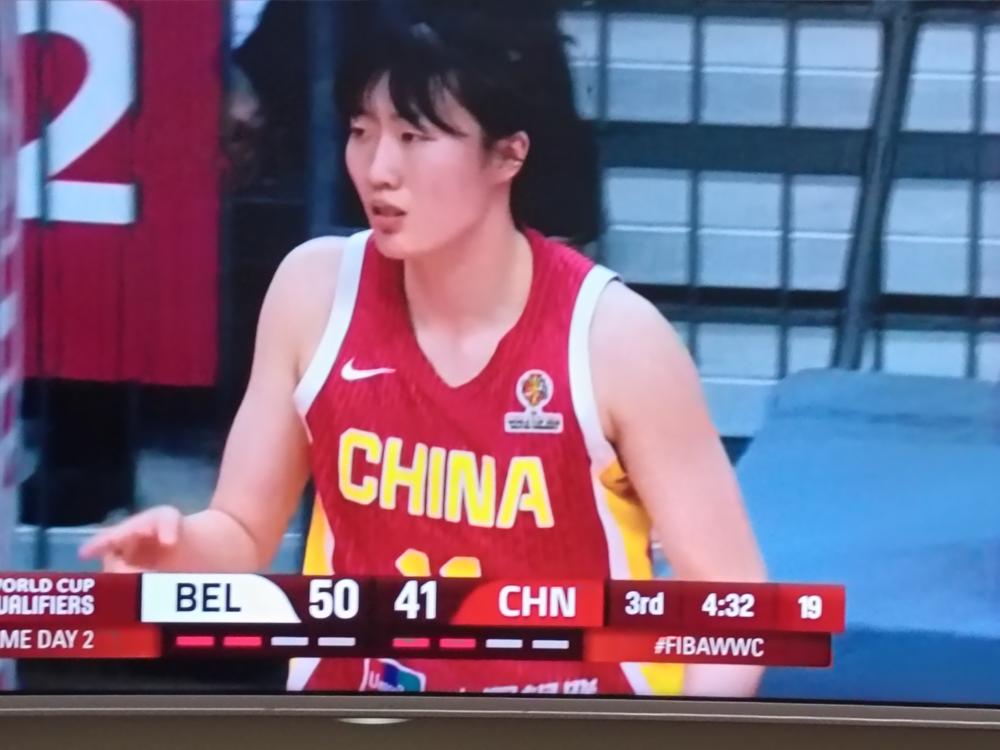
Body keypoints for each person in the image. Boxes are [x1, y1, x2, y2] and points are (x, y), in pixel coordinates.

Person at [80, 0, 765, 697]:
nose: (379, 169)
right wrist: (182, 553)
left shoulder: (616, 340)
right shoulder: (313, 292)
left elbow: (733, 604)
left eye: (414, 136)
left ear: (508, 153)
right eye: (362, 131)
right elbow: (242, 529)